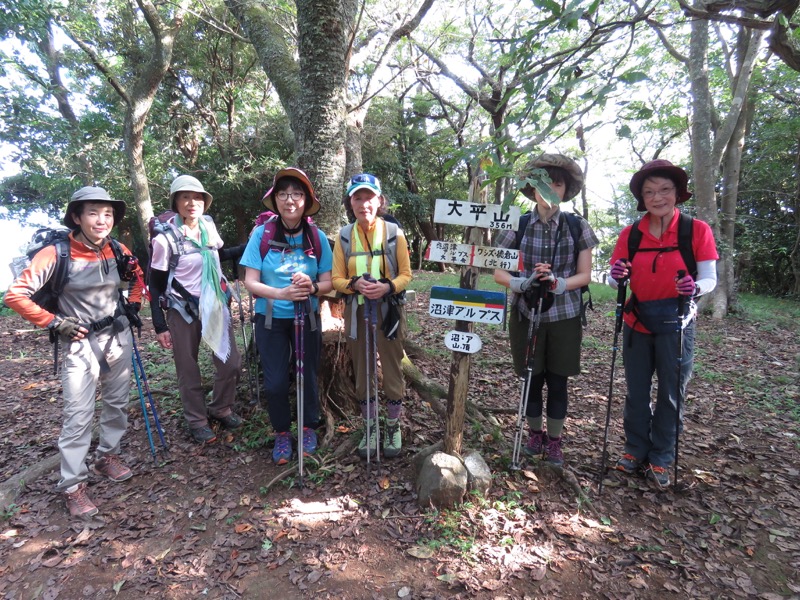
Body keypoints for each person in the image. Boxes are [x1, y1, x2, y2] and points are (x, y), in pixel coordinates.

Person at [5, 186, 144, 517]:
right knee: (78, 415)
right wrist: (53, 322)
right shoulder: (56, 253)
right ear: (77, 217)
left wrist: (134, 306)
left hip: (117, 337)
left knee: (117, 403)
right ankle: (72, 485)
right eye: (93, 213)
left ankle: (106, 457)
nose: (101, 220)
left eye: (108, 214)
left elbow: (139, 279)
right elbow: (15, 295)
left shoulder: (117, 249)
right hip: (79, 344)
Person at [608, 159, 718, 489]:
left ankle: (661, 457)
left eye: (665, 190)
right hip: (636, 320)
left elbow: (710, 278)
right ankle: (635, 450)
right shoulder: (631, 234)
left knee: (671, 393)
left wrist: (695, 288)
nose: (658, 197)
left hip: (678, 323)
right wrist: (615, 277)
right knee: (637, 391)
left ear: (677, 193)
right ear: (642, 198)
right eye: (650, 192)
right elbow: (615, 279)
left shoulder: (695, 230)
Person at [493, 154, 599, 465]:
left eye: (557, 183)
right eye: (542, 183)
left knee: (558, 379)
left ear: (566, 190)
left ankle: (555, 440)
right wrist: (524, 283)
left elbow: (585, 275)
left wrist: (557, 282)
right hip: (526, 311)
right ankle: (534, 433)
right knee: (531, 378)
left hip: (564, 314)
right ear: (531, 188)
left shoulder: (577, 225)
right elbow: (500, 273)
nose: (550, 190)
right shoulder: (518, 224)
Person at [240, 168, 333, 464]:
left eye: (296, 193)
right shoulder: (262, 234)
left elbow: (329, 283)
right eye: (283, 194)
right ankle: (282, 433)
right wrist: (281, 294)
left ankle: (308, 428)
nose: (289, 199)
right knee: (276, 382)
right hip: (270, 319)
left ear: (306, 200)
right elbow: (250, 281)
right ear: (275, 199)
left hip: (307, 317)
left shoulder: (317, 238)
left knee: (307, 375)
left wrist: (313, 286)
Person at [149, 175, 244, 444]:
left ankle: (221, 408)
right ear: (176, 202)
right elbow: (154, 285)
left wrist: (245, 249)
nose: (193, 203)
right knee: (188, 368)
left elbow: (218, 254)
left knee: (231, 363)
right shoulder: (164, 240)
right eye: (185, 197)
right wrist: (159, 325)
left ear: (205, 202)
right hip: (183, 309)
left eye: (198, 197)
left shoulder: (208, 227)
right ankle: (197, 420)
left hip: (214, 303)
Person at [332, 173, 413, 459]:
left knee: (391, 366)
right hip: (356, 309)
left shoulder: (394, 233)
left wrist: (387, 286)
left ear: (379, 201)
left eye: (369, 197)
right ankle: (369, 426)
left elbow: (406, 274)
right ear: (350, 202)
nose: (364, 203)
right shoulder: (344, 236)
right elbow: (336, 279)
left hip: (388, 309)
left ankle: (392, 425)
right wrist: (354, 284)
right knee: (363, 367)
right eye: (357, 197)